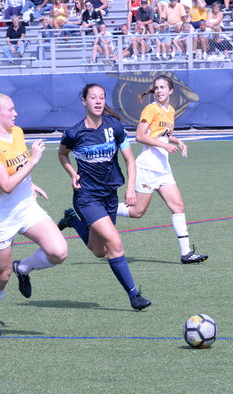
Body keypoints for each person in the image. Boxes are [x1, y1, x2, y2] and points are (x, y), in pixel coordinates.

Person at [0, 92, 68, 337]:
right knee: (1, 277)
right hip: (0, 219)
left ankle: (23, 268)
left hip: (26, 209)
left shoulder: (17, 133)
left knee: (59, 252)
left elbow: (17, 169)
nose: (15, 113)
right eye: (11, 109)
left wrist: (30, 184)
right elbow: (6, 185)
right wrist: (33, 161)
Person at [57, 83, 152, 311]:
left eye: (101, 97)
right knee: (115, 243)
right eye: (93, 97)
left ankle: (72, 220)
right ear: (84, 101)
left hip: (109, 195)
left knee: (99, 251)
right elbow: (62, 154)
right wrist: (72, 173)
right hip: (87, 197)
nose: (98, 101)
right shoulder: (73, 133)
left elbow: (130, 160)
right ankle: (134, 295)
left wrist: (130, 189)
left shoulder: (114, 127)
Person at [116, 75, 208, 265]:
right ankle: (101, 209)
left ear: (171, 90)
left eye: (162, 87)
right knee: (137, 212)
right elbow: (140, 136)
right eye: (156, 88)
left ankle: (186, 253)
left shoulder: (170, 110)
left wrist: (177, 141)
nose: (159, 91)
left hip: (163, 168)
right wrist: (165, 146)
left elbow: (162, 134)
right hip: (148, 167)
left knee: (178, 207)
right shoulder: (151, 109)